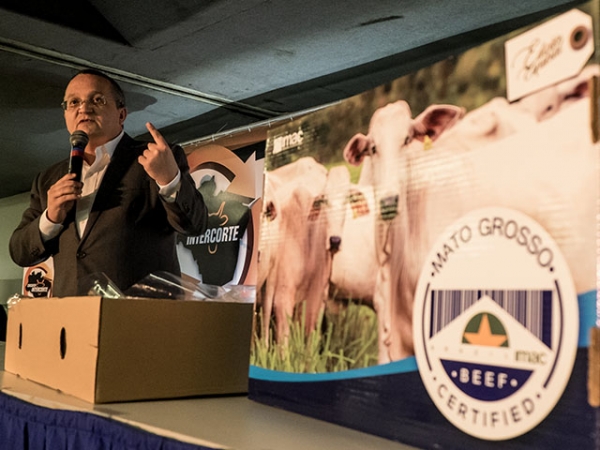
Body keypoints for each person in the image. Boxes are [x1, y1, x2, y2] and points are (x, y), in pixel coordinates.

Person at [9, 69, 208, 297]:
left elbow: (196, 224)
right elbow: (20, 252)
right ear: (65, 115)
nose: (84, 108)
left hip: (140, 319)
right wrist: (51, 218)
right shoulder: (48, 178)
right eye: (74, 102)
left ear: (121, 114)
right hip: (71, 320)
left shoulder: (156, 157)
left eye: (97, 100)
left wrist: (170, 180)